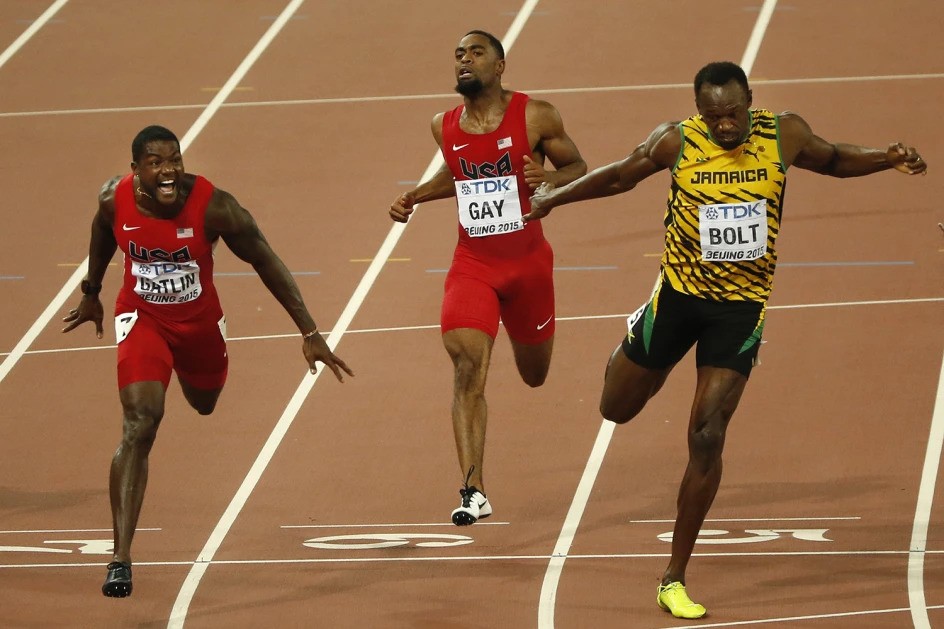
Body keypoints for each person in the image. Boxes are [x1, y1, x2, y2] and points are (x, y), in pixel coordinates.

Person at [526, 61, 927, 619]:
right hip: (677, 302)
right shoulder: (677, 141)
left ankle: (674, 575)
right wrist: (553, 198)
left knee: (707, 433)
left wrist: (886, 158)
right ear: (700, 113)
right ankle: (638, 339)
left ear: (749, 102)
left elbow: (833, 159)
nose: (724, 126)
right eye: (713, 117)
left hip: (739, 311)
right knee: (615, 410)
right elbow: (620, 175)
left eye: (732, 113)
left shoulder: (783, 133)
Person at [62, 125, 354, 598]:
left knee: (204, 402)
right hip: (142, 318)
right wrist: (92, 292)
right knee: (140, 423)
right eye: (156, 162)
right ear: (136, 169)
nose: (169, 170)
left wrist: (310, 331)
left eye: (174, 159)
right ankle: (120, 559)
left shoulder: (215, 207)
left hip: (198, 326)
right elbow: (102, 230)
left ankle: (194, 377)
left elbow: (265, 258)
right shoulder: (114, 199)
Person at [388, 30, 586, 525]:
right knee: (465, 369)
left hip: (529, 266)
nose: (464, 60)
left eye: (476, 53)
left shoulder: (537, 115)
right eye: (458, 54)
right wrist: (416, 194)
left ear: (500, 66)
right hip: (473, 265)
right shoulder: (443, 125)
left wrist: (553, 180)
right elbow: (460, 175)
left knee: (534, 375)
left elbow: (579, 166)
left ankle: (530, 344)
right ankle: (473, 489)